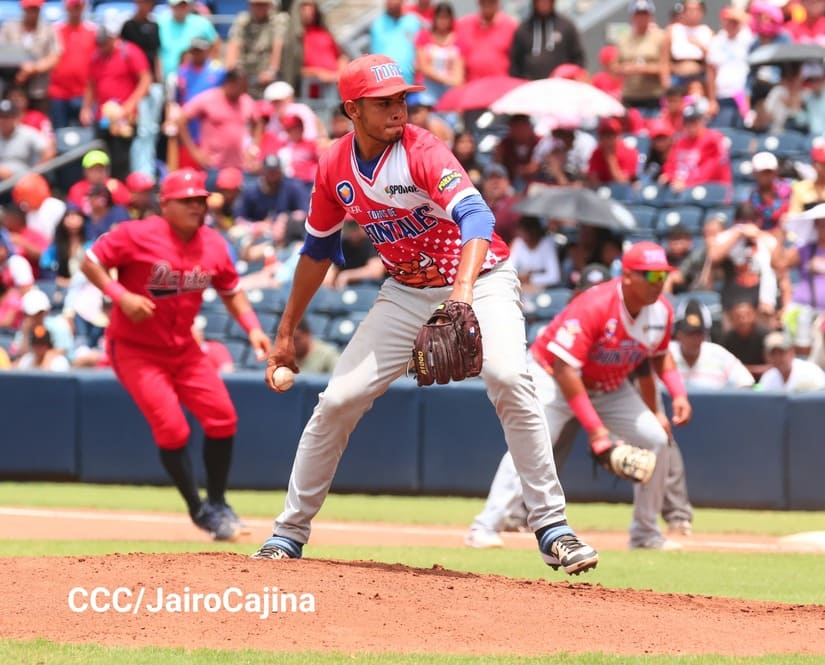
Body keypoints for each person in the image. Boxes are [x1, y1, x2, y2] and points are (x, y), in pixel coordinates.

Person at [251, 54, 599, 575]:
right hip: (407, 291)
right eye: (383, 102)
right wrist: (285, 332)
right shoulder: (333, 166)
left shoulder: (423, 150)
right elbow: (317, 250)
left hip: (481, 279)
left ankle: (552, 527)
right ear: (352, 109)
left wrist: (461, 294)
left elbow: (477, 216)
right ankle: (288, 532)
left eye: (401, 99)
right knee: (337, 400)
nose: (399, 109)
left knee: (509, 377)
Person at [80, 168, 271, 540]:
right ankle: (199, 510)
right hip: (135, 349)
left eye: (200, 200)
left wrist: (253, 328)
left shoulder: (214, 244)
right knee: (173, 428)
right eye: (187, 201)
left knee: (223, 418)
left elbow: (231, 290)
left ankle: (218, 503)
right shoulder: (136, 234)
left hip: (183, 349)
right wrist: (121, 295)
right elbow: (90, 261)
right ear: (165, 204)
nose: (196, 207)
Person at [468, 242, 692, 551]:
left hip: (609, 385)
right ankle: (485, 526)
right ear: (628, 276)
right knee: (532, 443)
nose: (658, 283)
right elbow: (564, 370)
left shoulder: (662, 311)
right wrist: (597, 432)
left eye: (662, 276)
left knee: (656, 438)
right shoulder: (596, 304)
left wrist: (677, 395)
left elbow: (657, 357)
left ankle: (645, 533)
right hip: (553, 378)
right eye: (650, 275)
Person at [670, 298, 754, 389]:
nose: (694, 339)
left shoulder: (718, 354)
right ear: (678, 334)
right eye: (689, 333)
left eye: (699, 333)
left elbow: (748, 383)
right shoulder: (667, 354)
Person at [508, 0, 584, 80]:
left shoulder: (566, 26)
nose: (543, 3)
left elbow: (578, 59)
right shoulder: (523, 30)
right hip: (531, 85)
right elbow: (515, 65)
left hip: (562, 83)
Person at [614, 0, 668, 111]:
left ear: (651, 16)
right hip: (630, 95)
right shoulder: (623, 40)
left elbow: (665, 66)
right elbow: (614, 67)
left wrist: (642, 68)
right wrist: (625, 68)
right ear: (632, 16)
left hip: (653, 95)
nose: (641, 18)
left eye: (644, 14)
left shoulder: (660, 37)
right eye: (638, 14)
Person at [757, 330, 825, 391]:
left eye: (781, 352)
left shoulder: (811, 372)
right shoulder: (768, 378)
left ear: (792, 352)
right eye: (773, 354)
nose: (777, 358)